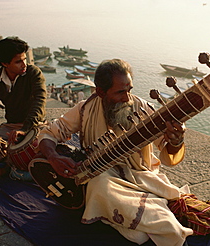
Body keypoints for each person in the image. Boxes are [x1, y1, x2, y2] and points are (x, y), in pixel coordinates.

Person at [37, 59, 193, 245]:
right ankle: (135, 221)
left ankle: (124, 218)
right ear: (100, 92)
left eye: (130, 90)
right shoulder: (86, 109)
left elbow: (167, 150)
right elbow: (49, 133)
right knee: (100, 183)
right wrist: (53, 156)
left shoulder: (141, 109)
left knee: (164, 231)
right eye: (120, 92)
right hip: (101, 175)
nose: (127, 98)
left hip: (139, 177)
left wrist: (176, 141)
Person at [0, 36, 47, 143]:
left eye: (25, 59)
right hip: (11, 127)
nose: (24, 64)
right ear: (5, 63)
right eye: (18, 62)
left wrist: (24, 129)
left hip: (35, 124)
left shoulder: (33, 73)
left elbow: (40, 101)